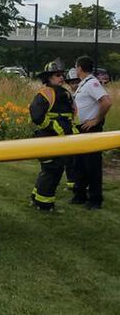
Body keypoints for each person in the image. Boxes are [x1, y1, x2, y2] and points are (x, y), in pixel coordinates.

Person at [28, 60, 77, 211]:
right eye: (57, 75)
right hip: (47, 139)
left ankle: (37, 198)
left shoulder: (65, 93)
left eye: (62, 75)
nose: (61, 78)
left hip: (59, 140)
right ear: (48, 78)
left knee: (52, 170)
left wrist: (73, 131)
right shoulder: (45, 94)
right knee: (52, 170)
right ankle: (44, 205)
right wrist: (55, 127)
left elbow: (72, 115)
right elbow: (36, 116)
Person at [71, 55, 113, 209]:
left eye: (76, 67)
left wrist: (96, 120)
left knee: (92, 166)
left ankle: (95, 199)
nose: (76, 70)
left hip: (91, 130)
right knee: (80, 164)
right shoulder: (84, 84)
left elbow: (107, 102)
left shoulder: (92, 83)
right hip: (81, 130)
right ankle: (80, 195)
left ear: (80, 68)